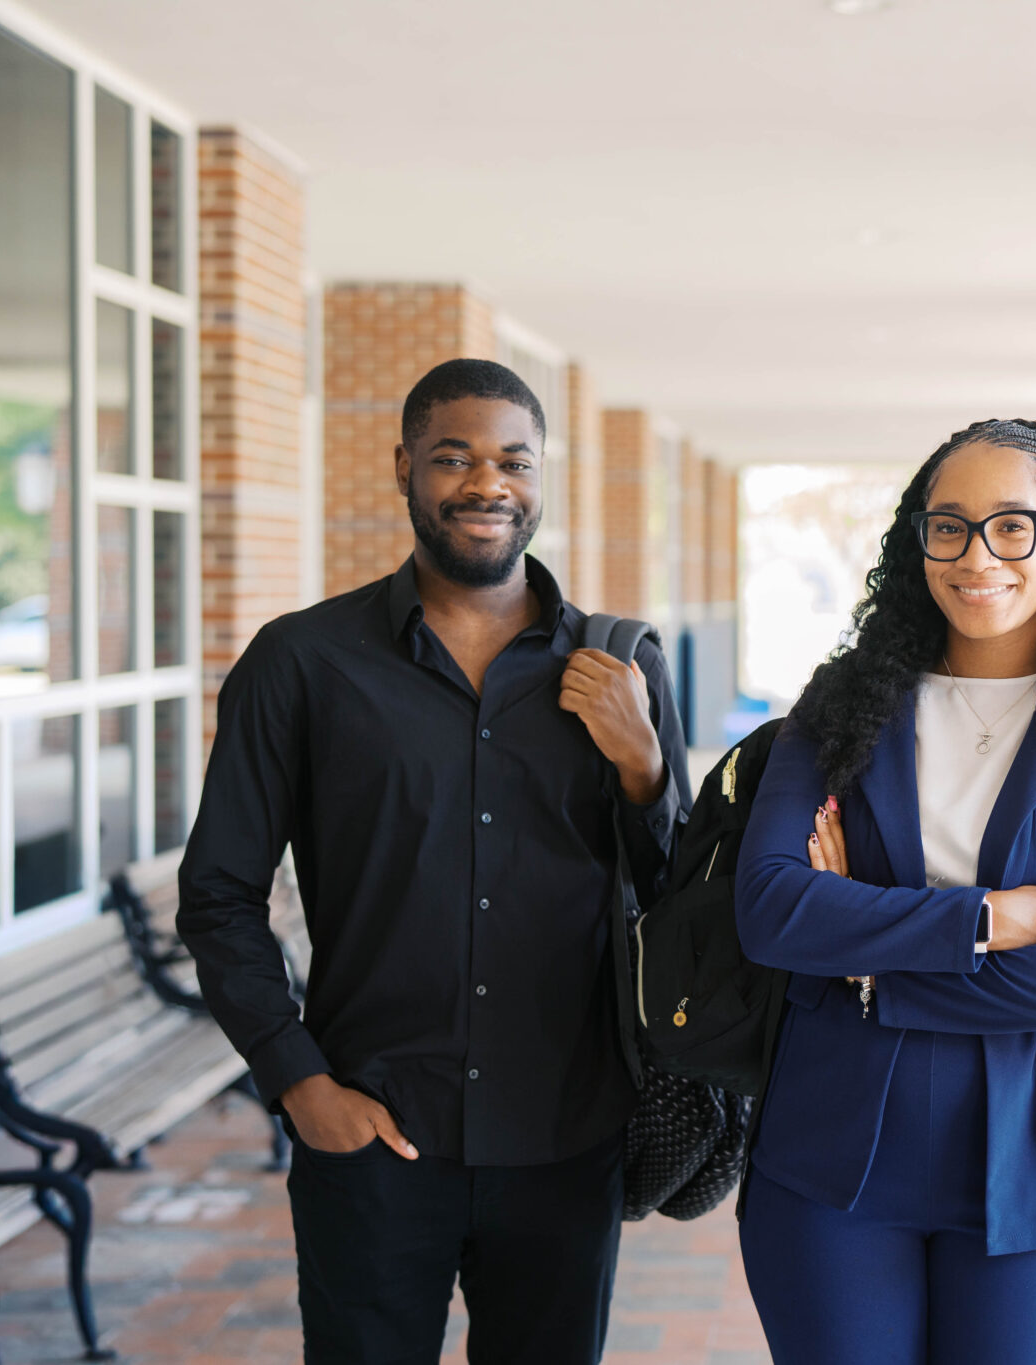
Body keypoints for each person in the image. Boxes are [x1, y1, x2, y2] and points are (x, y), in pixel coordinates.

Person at [177, 358, 691, 1365]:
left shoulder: (624, 665)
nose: (485, 484)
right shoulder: (303, 663)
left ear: (540, 480)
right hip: (371, 1133)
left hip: (565, 1135)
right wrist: (298, 1083)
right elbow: (219, 895)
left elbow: (675, 900)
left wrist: (642, 768)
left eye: (513, 460)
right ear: (405, 466)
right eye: (454, 457)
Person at [733, 418, 1036, 1365]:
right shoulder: (844, 699)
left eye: (1014, 525)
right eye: (949, 525)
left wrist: (866, 969)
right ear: (918, 540)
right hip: (830, 1157)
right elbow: (772, 908)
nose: (977, 554)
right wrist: (989, 917)